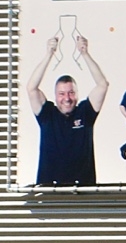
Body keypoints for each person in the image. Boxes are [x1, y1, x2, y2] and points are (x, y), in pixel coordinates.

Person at [24, 34, 108, 187]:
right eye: (62, 94)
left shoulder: (85, 112)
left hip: (83, 191)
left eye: (71, 93)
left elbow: (102, 84)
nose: (67, 98)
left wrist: (84, 53)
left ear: (76, 94)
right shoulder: (47, 114)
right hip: (49, 191)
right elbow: (31, 88)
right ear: (55, 96)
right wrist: (49, 55)